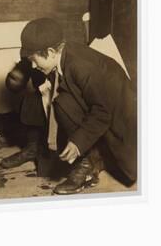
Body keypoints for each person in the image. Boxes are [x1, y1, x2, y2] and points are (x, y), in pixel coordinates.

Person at [19, 17, 137, 194]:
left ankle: (90, 163)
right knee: (61, 101)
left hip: (123, 116)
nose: (33, 65)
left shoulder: (80, 66)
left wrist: (78, 143)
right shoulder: (62, 56)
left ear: (51, 52)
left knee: (64, 104)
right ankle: (92, 157)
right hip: (104, 107)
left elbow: (103, 111)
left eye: (34, 59)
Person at [0, 58, 48, 171]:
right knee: (32, 99)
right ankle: (32, 148)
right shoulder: (31, 43)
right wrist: (19, 72)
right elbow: (28, 57)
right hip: (45, 81)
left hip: (69, 81)